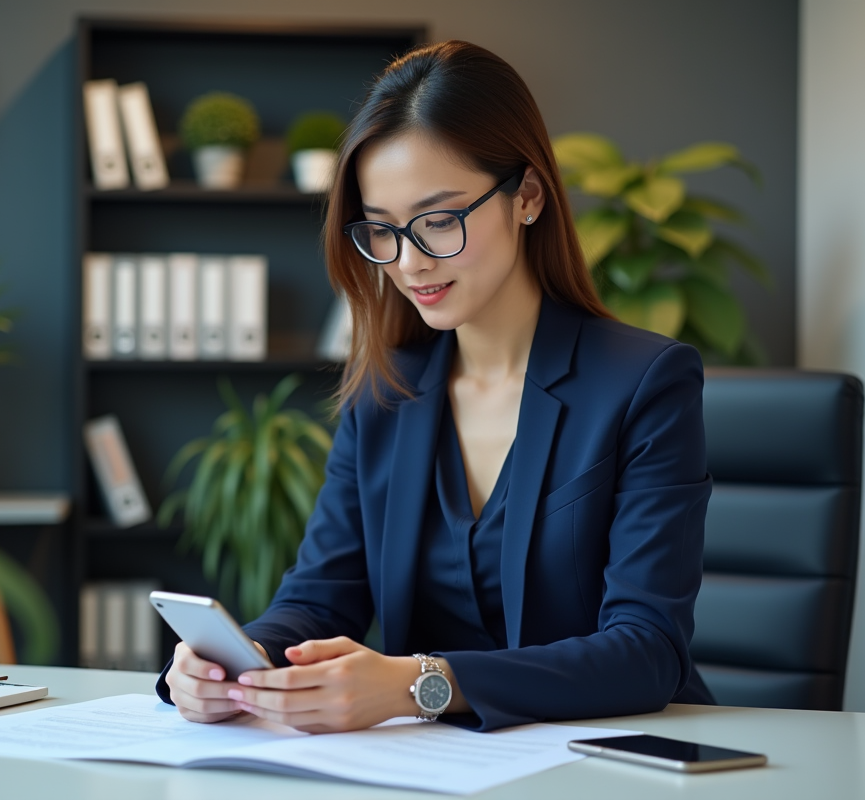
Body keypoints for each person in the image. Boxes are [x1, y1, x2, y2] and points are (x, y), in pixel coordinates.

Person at [157, 39, 715, 733]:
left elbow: (647, 651)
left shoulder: (644, 383)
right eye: (382, 232)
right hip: (438, 769)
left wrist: (418, 684)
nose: (410, 262)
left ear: (528, 197)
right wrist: (232, 663)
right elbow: (320, 597)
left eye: (439, 221)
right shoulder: (385, 392)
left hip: (613, 758)